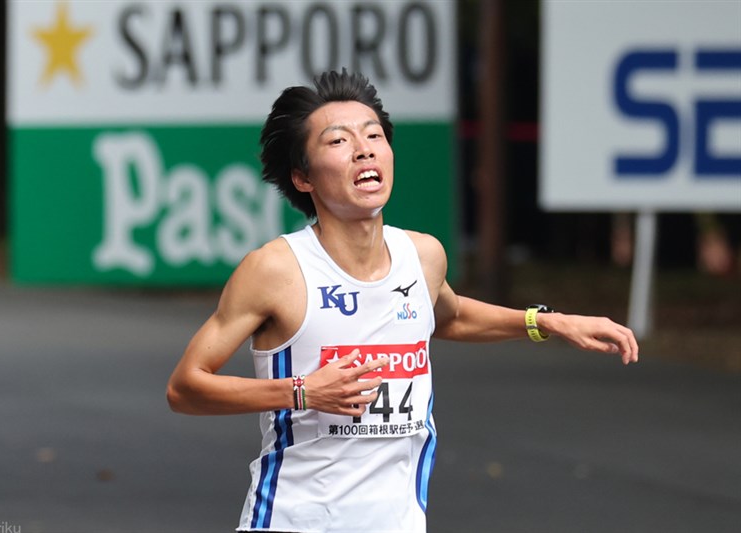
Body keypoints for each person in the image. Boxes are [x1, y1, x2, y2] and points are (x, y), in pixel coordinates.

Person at [166, 69, 639, 533]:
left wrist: (549, 322)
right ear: (303, 178)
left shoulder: (423, 256)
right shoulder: (275, 270)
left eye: (373, 135)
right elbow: (185, 388)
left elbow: (448, 316)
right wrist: (303, 392)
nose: (363, 148)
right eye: (338, 141)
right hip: (296, 520)